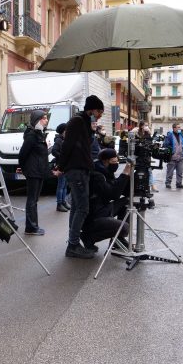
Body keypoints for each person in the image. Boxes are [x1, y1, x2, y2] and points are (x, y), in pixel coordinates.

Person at [55, 94, 105, 259]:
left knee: (76, 207)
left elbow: (86, 146)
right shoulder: (77, 121)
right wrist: (61, 167)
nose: (100, 115)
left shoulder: (85, 122)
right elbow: (68, 145)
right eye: (99, 112)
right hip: (76, 170)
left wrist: (92, 132)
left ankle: (73, 242)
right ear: (91, 110)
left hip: (81, 169)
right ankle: (73, 245)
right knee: (82, 208)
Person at [81, 148, 132, 251]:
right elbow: (113, 194)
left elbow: (122, 191)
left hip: (103, 209)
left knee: (127, 201)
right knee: (124, 228)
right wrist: (124, 173)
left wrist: (129, 177)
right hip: (93, 216)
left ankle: (119, 241)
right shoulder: (97, 175)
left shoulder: (106, 172)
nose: (116, 164)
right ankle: (89, 237)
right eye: (114, 161)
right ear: (105, 161)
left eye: (117, 161)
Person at [18, 110, 50, 235]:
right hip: (33, 172)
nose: (46, 120)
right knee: (32, 200)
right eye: (44, 118)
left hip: (38, 171)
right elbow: (23, 154)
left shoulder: (39, 133)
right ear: (37, 120)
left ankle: (33, 226)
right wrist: (25, 168)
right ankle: (30, 227)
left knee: (34, 200)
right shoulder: (31, 135)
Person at [51, 123, 70, 212]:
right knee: (61, 185)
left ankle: (64, 201)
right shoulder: (58, 140)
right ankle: (59, 204)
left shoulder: (65, 139)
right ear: (63, 131)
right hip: (61, 165)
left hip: (66, 165)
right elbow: (54, 151)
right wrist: (62, 158)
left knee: (65, 185)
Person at [163, 123, 183, 190]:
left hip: (180, 157)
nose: (179, 129)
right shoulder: (170, 136)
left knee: (180, 172)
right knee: (170, 172)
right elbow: (165, 145)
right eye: (178, 127)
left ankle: (179, 184)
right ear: (174, 128)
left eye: (180, 127)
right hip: (172, 157)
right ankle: (168, 183)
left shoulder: (181, 135)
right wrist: (170, 150)